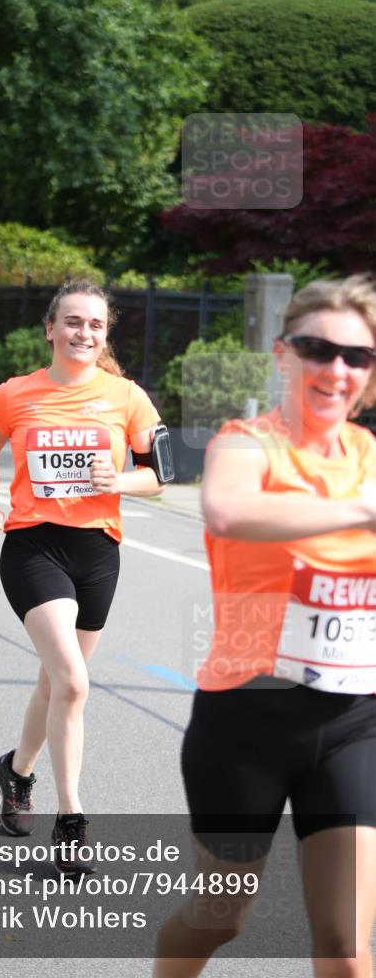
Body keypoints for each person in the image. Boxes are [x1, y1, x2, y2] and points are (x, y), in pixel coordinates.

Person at [153, 274, 376, 978]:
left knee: (346, 946)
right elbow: (227, 511)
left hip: (354, 721)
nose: (336, 370)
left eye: (357, 357)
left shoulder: (370, 456)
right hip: (246, 718)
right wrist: (363, 511)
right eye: (317, 349)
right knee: (219, 917)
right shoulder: (245, 444)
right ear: (282, 354)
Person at [0, 278, 163, 872]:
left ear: (105, 335)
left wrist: (120, 480)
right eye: (74, 322)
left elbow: (160, 475)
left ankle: (16, 771)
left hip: (98, 552)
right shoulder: (14, 394)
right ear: (51, 329)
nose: (84, 333)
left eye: (95, 325)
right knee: (74, 684)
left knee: (55, 682)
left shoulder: (127, 397)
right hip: (33, 547)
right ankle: (71, 816)